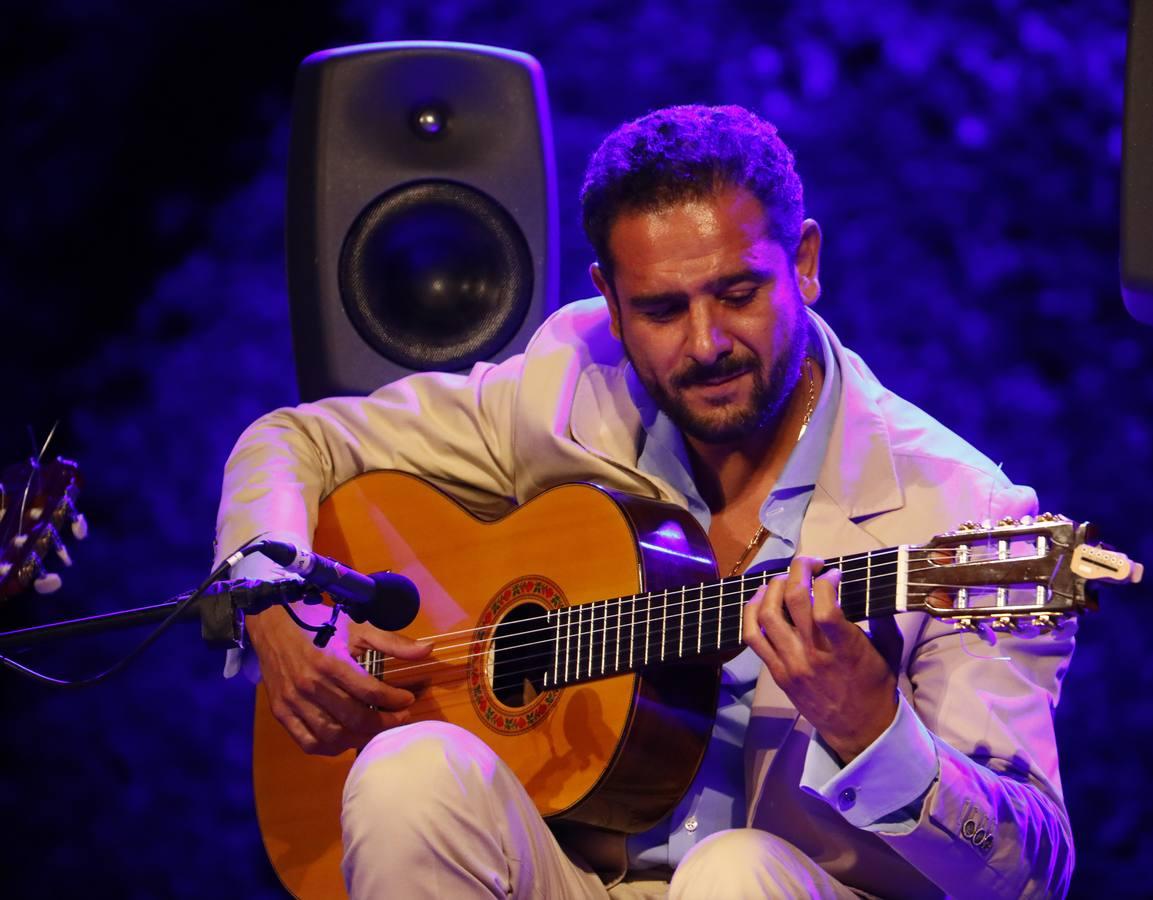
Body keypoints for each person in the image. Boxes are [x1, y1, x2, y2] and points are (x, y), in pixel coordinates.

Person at [216, 104, 1075, 899]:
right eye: (661, 309)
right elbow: (297, 440)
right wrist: (272, 599)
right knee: (408, 773)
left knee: (731, 875)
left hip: (781, 890)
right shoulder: (568, 384)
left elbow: (1035, 872)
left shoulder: (963, 511)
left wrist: (875, 732)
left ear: (804, 264)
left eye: (738, 294)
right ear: (612, 305)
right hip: (579, 875)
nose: (706, 344)